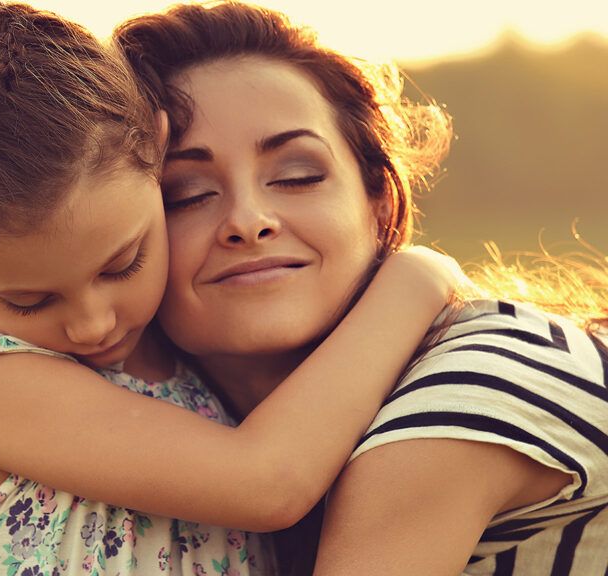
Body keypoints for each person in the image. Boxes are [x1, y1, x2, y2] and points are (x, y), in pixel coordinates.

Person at [0, 1, 473, 574]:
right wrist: (420, 275)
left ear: (155, 152)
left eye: (122, 266)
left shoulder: (192, 366)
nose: (90, 325)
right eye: (28, 300)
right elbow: (269, 483)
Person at [115, 2, 608, 574]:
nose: (248, 220)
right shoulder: (155, 421)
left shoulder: (479, 381)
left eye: (298, 175)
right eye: (187, 193)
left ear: (377, 202)